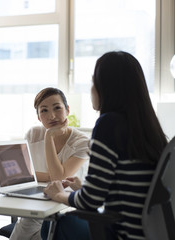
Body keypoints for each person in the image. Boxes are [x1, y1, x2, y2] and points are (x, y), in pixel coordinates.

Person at [42, 51, 168, 240]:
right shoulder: (148, 127)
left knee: (53, 224)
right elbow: (126, 186)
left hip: (124, 233)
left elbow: (91, 200)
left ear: (106, 88)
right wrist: (83, 187)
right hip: (152, 232)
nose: (91, 89)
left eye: (94, 83)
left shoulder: (108, 125)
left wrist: (59, 195)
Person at [9, 87, 90, 240]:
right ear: (39, 117)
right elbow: (18, 173)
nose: (51, 116)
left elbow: (57, 177)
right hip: (37, 201)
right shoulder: (33, 134)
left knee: (30, 225)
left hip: (66, 205)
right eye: (44, 111)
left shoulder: (82, 142)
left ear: (67, 110)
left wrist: (49, 137)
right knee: (31, 223)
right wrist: (47, 176)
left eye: (57, 108)